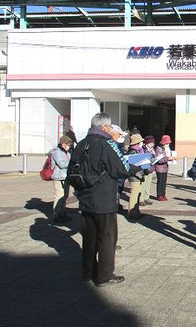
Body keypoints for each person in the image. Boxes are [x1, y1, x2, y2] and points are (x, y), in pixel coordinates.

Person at [68, 112, 141, 287]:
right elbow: (121, 167)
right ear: (105, 127)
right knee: (107, 238)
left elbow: (72, 169)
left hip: (85, 198)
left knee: (89, 238)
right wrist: (135, 168)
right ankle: (104, 275)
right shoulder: (107, 143)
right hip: (104, 199)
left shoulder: (82, 144)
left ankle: (88, 272)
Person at [50, 135, 73, 223]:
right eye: (67, 144)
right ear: (62, 143)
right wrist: (71, 163)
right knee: (59, 196)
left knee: (65, 196)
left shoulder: (67, 152)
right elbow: (61, 164)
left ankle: (62, 213)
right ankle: (56, 215)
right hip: (59, 177)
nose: (68, 146)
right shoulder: (57, 152)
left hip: (66, 177)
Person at [126, 133, 145, 219]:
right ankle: (132, 212)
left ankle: (136, 211)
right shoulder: (133, 152)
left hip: (139, 175)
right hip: (135, 176)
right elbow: (133, 166)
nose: (142, 143)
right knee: (134, 194)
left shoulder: (139, 150)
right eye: (141, 142)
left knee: (138, 193)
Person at [154, 135, 175, 201]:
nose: (168, 144)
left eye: (168, 143)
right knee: (160, 182)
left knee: (164, 182)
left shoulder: (167, 149)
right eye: (167, 143)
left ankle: (163, 194)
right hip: (159, 168)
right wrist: (168, 159)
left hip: (165, 168)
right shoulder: (158, 149)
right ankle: (159, 195)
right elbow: (159, 160)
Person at [139, 135, 156, 206]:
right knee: (143, 184)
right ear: (147, 143)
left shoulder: (152, 150)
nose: (152, 144)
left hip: (151, 169)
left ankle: (146, 197)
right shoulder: (144, 149)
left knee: (148, 185)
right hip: (145, 169)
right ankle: (141, 199)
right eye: (151, 143)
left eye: (153, 143)